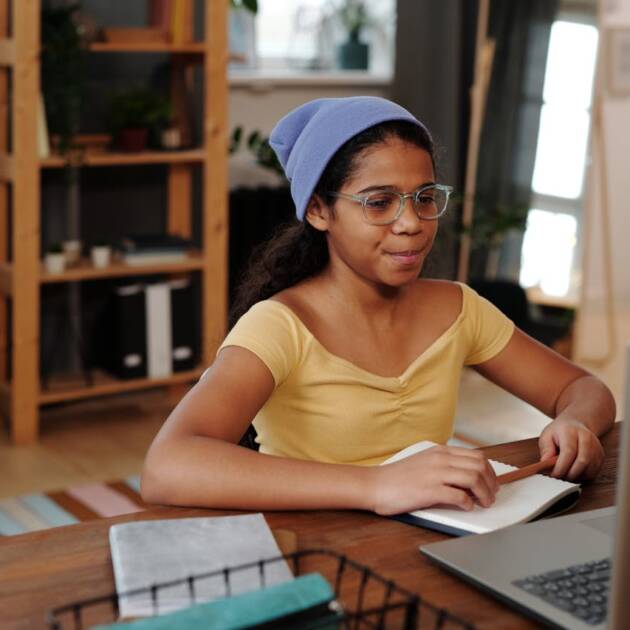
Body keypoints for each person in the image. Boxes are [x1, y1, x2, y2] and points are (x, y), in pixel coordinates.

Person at [142, 96, 615, 516]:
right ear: (318, 211)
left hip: (432, 535)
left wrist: (576, 421)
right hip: (316, 548)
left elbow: (582, 387)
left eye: (424, 198)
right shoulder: (280, 326)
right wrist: (377, 485)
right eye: (379, 202)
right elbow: (167, 466)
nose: (410, 223)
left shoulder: (459, 308)